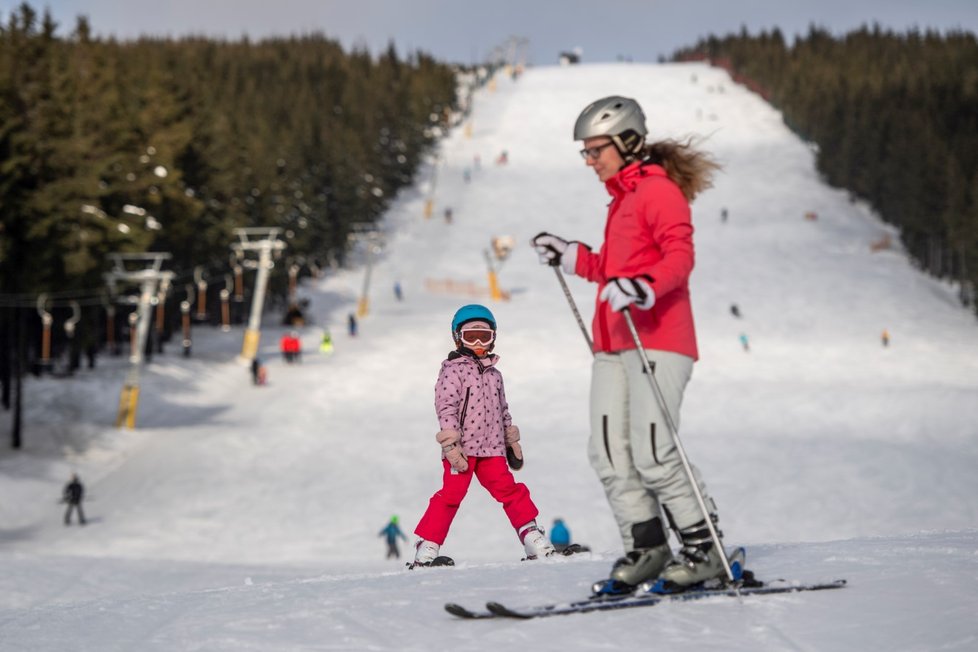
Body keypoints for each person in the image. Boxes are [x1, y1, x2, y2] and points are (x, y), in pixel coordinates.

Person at [532, 95, 728, 592]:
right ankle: (648, 548)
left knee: (654, 452)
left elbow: (679, 258)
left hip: (659, 338)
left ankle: (704, 550)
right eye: (586, 152)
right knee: (608, 452)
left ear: (628, 142)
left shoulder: (658, 193)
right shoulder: (621, 200)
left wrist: (643, 287)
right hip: (614, 343)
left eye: (596, 150)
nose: (590, 161)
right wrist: (573, 254)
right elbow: (612, 271)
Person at [410, 304, 556, 567]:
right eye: (470, 335)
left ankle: (531, 535)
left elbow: (503, 409)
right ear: (458, 338)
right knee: (451, 496)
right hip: (463, 451)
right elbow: (445, 407)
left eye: (484, 336)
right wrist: (451, 444)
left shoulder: (495, 375)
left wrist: (511, 440)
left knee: (511, 491)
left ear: (494, 337)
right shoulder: (452, 369)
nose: (478, 342)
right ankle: (427, 544)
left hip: (492, 449)